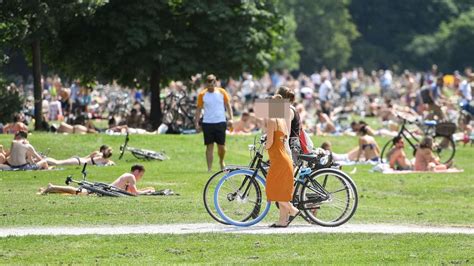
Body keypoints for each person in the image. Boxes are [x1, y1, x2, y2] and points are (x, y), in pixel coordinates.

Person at [264, 95, 300, 228]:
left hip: (278, 158)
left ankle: (293, 210)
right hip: (285, 157)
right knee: (283, 192)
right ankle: (282, 220)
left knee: (271, 189)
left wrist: (263, 146)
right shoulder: (282, 121)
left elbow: (269, 144)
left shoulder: (271, 120)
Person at [195, 74, 233, 171]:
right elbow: (198, 109)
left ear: (215, 83)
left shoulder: (222, 92)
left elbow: (228, 105)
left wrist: (231, 118)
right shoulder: (202, 95)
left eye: (212, 85)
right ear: (206, 84)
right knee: (209, 146)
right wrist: (196, 123)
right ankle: (209, 169)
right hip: (207, 122)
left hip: (220, 121)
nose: (210, 87)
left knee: (222, 146)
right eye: (208, 85)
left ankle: (221, 161)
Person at [38, 164, 154, 195]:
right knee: (78, 192)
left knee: (76, 192)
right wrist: (146, 192)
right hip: (104, 191)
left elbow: (129, 191)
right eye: (141, 175)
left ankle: (50, 189)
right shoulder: (131, 176)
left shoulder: (127, 176)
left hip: (105, 190)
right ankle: (52, 187)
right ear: (137, 171)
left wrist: (146, 189)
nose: (140, 177)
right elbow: (134, 193)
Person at [45, 145, 115, 166]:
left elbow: (86, 157)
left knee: (57, 162)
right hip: (78, 162)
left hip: (78, 160)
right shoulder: (103, 158)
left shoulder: (99, 156)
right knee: (57, 163)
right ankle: (44, 160)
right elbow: (112, 163)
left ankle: (43, 161)